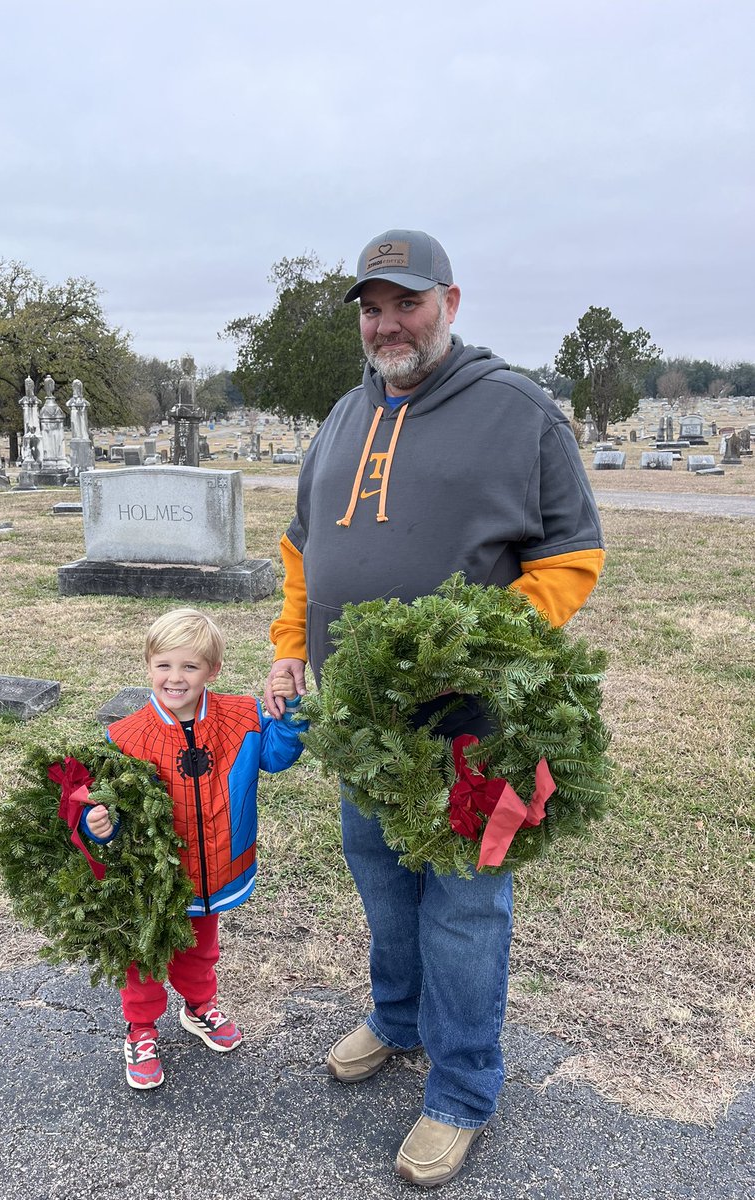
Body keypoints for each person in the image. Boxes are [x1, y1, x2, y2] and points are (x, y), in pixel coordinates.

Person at [264, 229, 605, 1187]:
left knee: (464, 906)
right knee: (378, 870)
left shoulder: (516, 411)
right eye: (372, 307)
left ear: (451, 302)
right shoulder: (341, 416)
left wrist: (481, 650)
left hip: (471, 730)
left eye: (406, 302)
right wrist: (292, 653)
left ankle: (460, 1089)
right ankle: (398, 1016)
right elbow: (302, 552)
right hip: (360, 725)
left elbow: (572, 556)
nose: (387, 323)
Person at [84, 606, 305, 1090]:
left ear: (213, 670)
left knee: (201, 948)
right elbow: (110, 803)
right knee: (142, 955)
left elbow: (276, 756)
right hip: (154, 879)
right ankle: (140, 1027)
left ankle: (199, 1006)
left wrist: (290, 717)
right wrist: (99, 823)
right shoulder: (125, 738)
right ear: (148, 666)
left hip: (218, 867)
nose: (175, 678)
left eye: (190, 666)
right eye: (164, 665)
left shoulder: (243, 716)